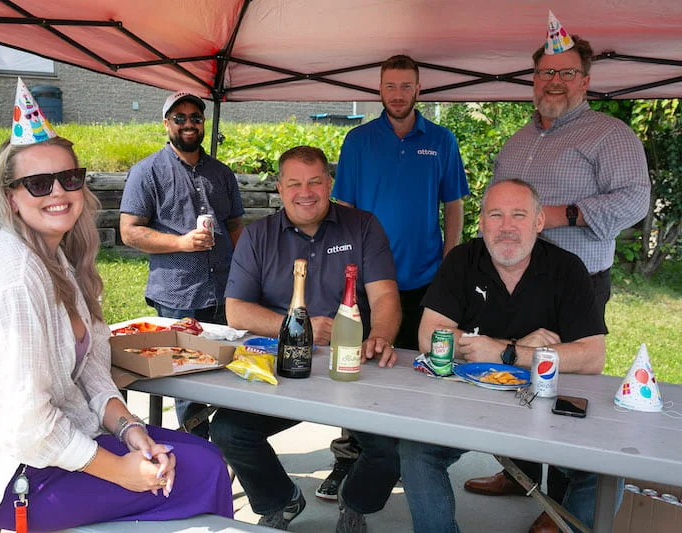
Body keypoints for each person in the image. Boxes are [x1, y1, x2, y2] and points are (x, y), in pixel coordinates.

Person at [0, 80, 233, 532]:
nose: (57, 191)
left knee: (203, 455)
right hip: (10, 476)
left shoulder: (57, 257)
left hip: (63, 445)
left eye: (69, 178)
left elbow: (91, 367)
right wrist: (121, 471)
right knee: (198, 474)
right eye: (37, 183)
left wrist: (130, 429)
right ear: (11, 198)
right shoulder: (14, 276)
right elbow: (24, 426)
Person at [469, 15, 650, 531]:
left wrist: (563, 212)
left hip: (578, 280)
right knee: (518, 368)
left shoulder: (609, 134)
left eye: (566, 73)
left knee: (569, 381)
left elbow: (635, 200)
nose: (555, 81)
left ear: (586, 80)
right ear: (534, 80)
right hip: (515, 279)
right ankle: (520, 472)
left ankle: (565, 502)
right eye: (546, 72)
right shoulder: (518, 140)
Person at [398, 179, 611, 533]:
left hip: (543, 403)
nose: (507, 227)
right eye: (496, 215)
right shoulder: (462, 260)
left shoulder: (567, 268)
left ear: (539, 222)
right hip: (467, 399)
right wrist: (536, 350)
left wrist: (507, 352)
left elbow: (592, 357)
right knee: (417, 453)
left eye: (519, 215)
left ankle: (564, 526)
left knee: (602, 471)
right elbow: (429, 336)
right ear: (481, 221)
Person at [210, 146, 402, 532]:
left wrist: (380, 335)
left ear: (329, 183)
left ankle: (356, 502)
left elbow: (384, 295)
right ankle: (281, 499)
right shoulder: (258, 235)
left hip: (352, 366)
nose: (306, 191)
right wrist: (301, 325)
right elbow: (237, 311)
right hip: (284, 369)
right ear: (280, 188)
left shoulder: (363, 226)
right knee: (229, 430)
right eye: (294, 182)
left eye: (315, 181)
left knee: (391, 444)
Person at [322, 53, 470, 500]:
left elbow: (454, 206)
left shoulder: (442, 141)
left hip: (424, 275)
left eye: (407, 86)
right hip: (366, 279)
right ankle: (347, 459)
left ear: (419, 89)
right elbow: (342, 208)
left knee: (411, 369)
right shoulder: (358, 140)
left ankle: (406, 458)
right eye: (391, 86)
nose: (398, 94)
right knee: (355, 369)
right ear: (379, 89)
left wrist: (451, 261)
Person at [120, 91, 245, 439]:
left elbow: (235, 225)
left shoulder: (221, 173)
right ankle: (196, 452)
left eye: (195, 117)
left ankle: (229, 446)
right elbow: (129, 232)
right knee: (186, 383)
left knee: (228, 374)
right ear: (166, 124)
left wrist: (246, 274)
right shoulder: (146, 172)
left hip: (225, 290)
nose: (189, 123)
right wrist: (180, 243)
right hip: (177, 295)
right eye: (180, 118)